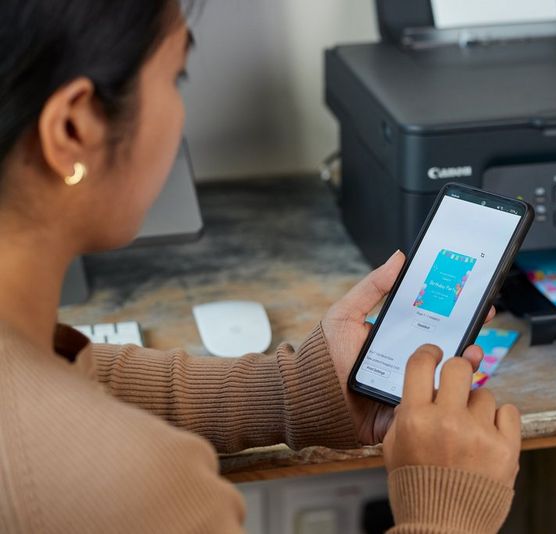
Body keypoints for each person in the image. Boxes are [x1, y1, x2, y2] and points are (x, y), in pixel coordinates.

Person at [0, 1, 521, 533]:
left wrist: (293, 390)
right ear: (73, 127)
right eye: (175, 76)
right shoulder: (139, 491)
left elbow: (70, 376)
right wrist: (443, 513)